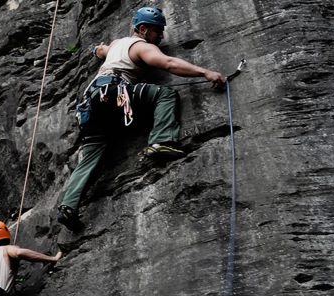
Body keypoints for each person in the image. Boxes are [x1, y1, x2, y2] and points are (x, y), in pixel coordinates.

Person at [57, 6, 227, 231]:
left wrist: (97, 50)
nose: (161, 36)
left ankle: (68, 206)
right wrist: (205, 72)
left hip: (89, 105)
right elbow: (168, 64)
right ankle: (162, 141)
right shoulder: (141, 46)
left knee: (92, 155)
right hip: (113, 94)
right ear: (143, 29)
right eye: (157, 31)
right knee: (165, 94)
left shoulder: (117, 44)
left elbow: (101, 50)